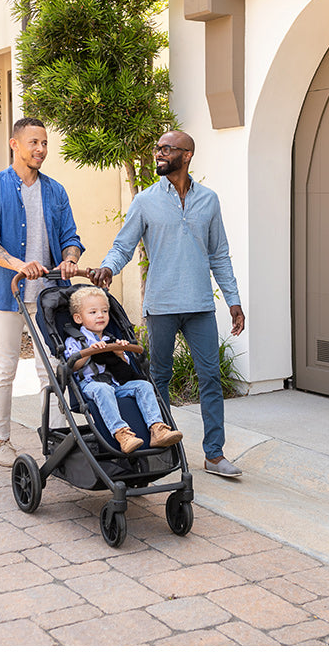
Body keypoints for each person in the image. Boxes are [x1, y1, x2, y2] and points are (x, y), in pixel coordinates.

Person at [91, 130, 246, 478]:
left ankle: (214, 455)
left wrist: (233, 301)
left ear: (187, 155)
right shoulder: (145, 201)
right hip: (161, 306)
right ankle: (162, 449)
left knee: (210, 378)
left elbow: (219, 254)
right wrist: (107, 267)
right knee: (157, 380)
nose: (158, 154)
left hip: (200, 306)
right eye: (157, 148)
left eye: (166, 149)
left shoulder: (209, 200)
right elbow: (123, 246)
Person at [0, 117, 83, 467]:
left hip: (48, 294)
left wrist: (69, 259)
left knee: (50, 369)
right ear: (15, 144)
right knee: (5, 367)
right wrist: (19, 264)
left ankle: (56, 442)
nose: (41, 149)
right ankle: (0, 442)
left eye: (45, 143)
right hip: (7, 293)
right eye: (34, 142)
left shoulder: (56, 191)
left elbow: (70, 238)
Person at [63, 286, 184, 454]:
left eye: (104, 311)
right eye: (93, 312)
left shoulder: (110, 339)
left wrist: (119, 353)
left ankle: (157, 429)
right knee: (102, 389)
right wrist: (89, 351)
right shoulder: (74, 340)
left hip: (115, 385)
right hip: (90, 385)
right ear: (78, 318)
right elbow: (72, 365)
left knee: (143, 386)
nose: (100, 315)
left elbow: (123, 368)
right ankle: (122, 434)